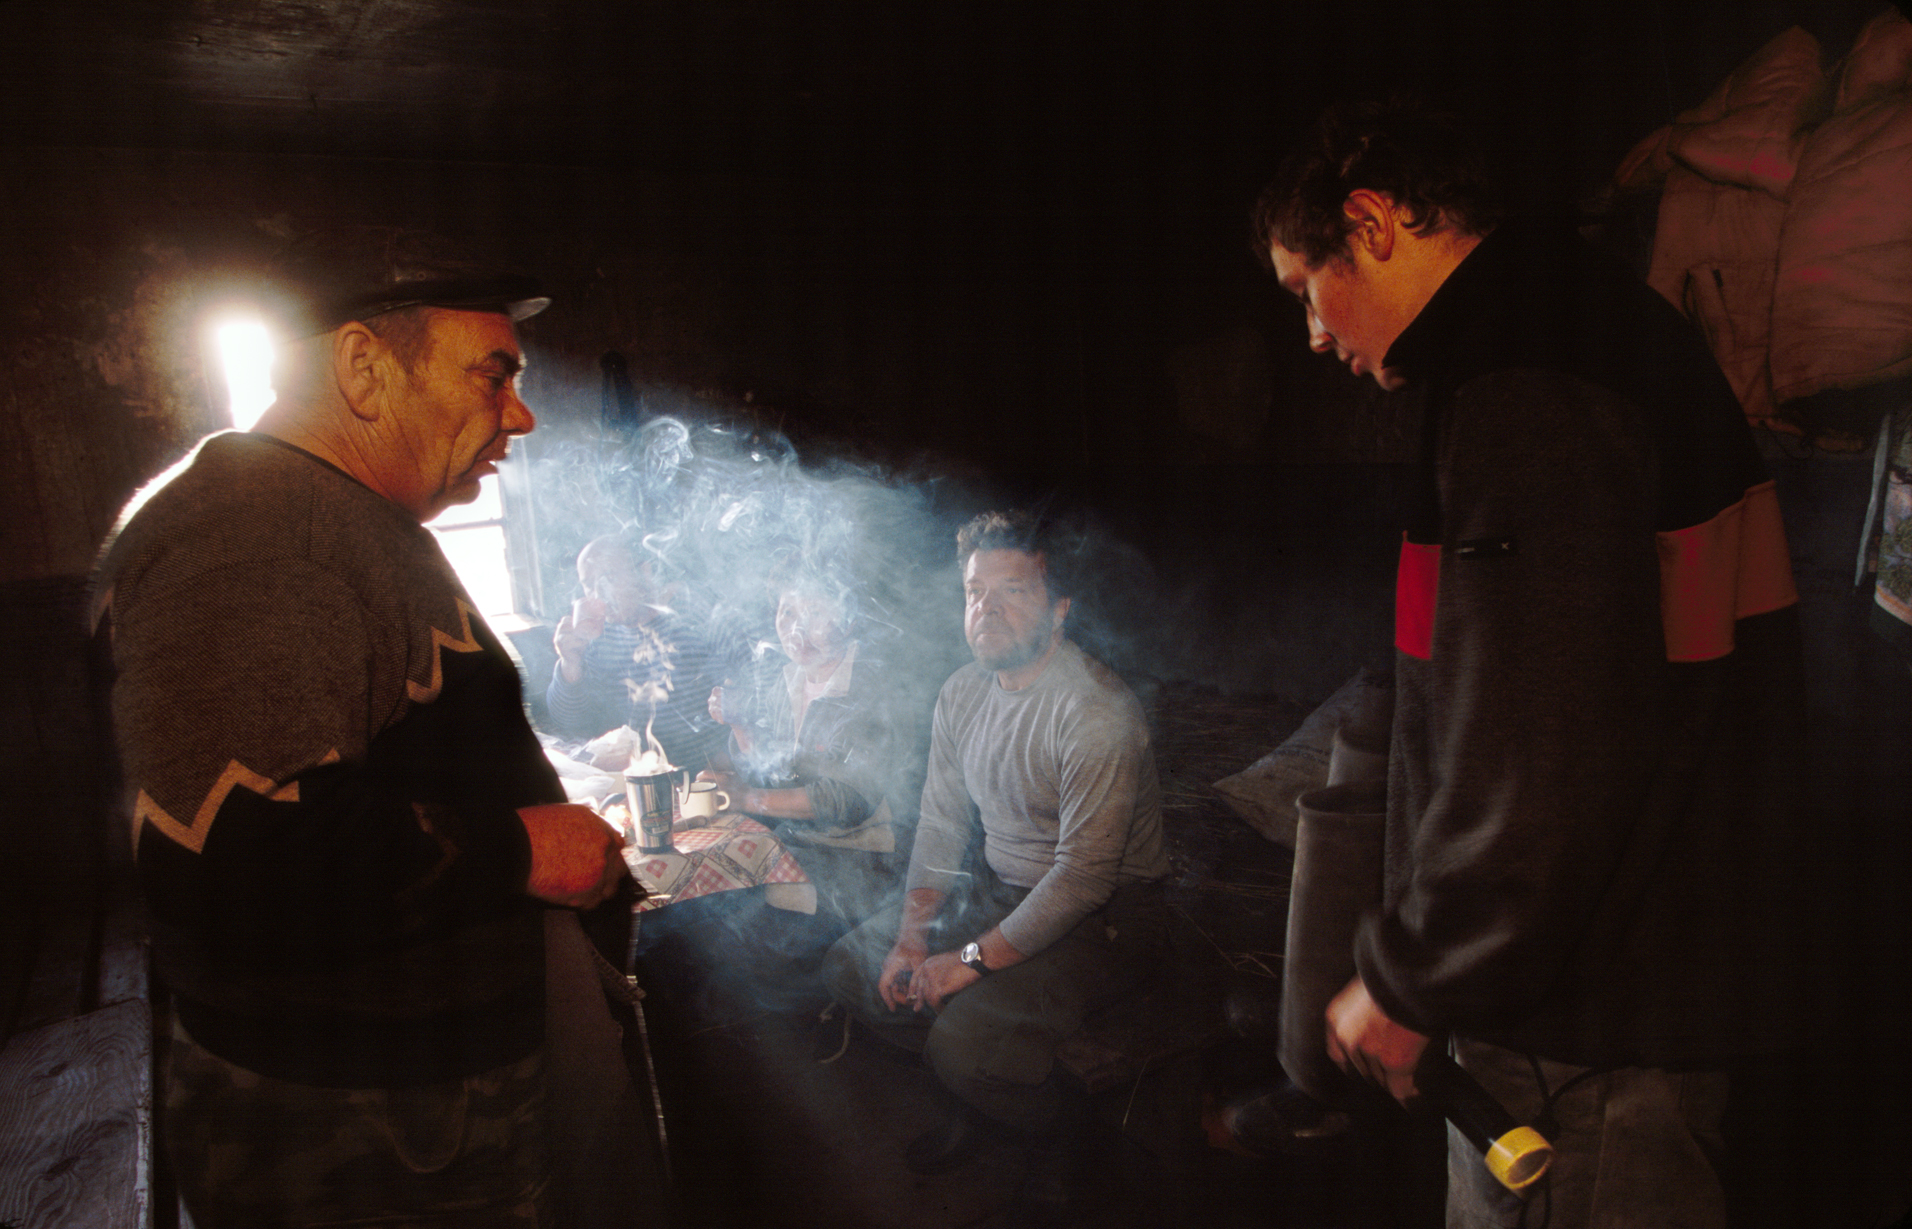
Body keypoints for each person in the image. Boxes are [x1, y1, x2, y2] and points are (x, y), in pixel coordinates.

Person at [1251, 99, 1808, 1227]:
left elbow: (1542, 741)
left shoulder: (1530, 385)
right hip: (1619, 987)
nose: (1313, 334)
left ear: (1370, 223)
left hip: (1591, 1032)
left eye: (1304, 290)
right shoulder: (1580, 329)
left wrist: (1415, 975)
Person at [90, 227, 632, 1227]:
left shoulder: (325, 516)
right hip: (387, 1124)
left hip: (412, 1101)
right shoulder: (253, 528)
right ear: (362, 368)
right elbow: (240, 849)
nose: (523, 413)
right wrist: (525, 847)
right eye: (493, 374)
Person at [821, 510, 1171, 1227]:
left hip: (1110, 917)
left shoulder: (1096, 711)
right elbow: (944, 825)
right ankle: (977, 1100)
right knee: (857, 968)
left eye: (1013, 591)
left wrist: (970, 959)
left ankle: (1067, 1136)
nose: (987, 607)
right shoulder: (962, 694)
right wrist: (916, 938)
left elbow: (1082, 879)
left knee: (966, 1042)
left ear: (1060, 610)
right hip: (1004, 887)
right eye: (975, 591)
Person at [700, 572, 915, 926]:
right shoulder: (789, 681)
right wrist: (739, 725)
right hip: (800, 845)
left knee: (736, 924)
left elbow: (846, 800)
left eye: (814, 613)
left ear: (848, 622)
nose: (796, 629)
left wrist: (746, 798)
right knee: (712, 912)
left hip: (863, 860)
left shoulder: (872, 686)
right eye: (787, 613)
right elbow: (772, 776)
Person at [548, 532, 720, 774]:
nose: (599, 593)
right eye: (589, 585)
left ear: (645, 572)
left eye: (609, 578)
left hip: (705, 779)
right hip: (635, 779)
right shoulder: (599, 638)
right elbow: (570, 724)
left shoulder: (695, 616)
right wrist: (569, 665)